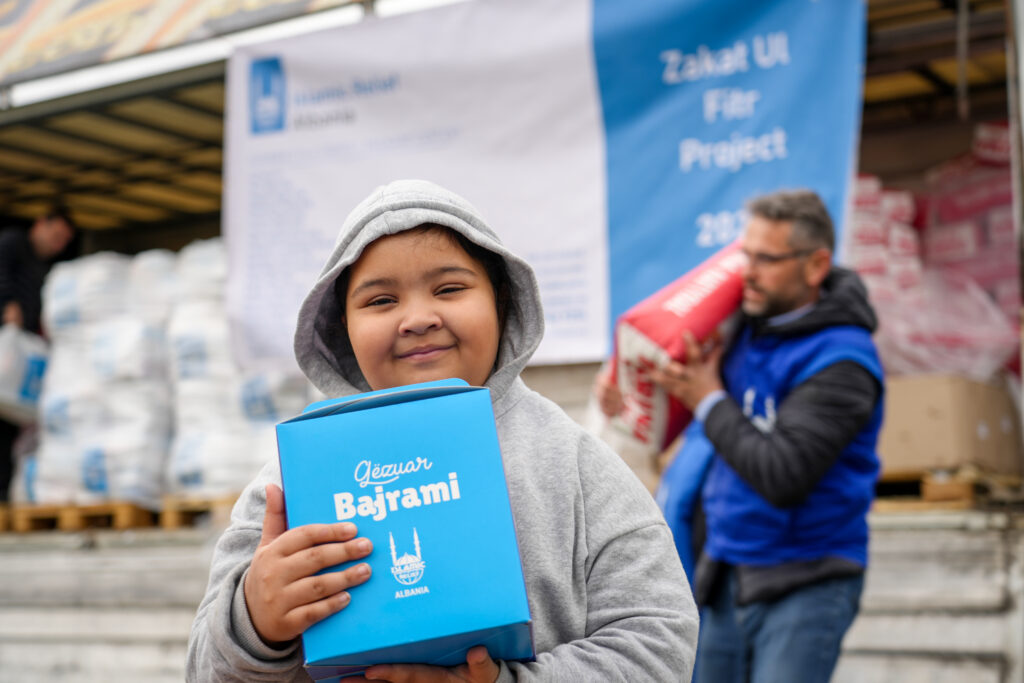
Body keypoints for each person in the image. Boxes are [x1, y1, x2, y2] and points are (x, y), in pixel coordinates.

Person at [187, 179, 699, 682]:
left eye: (449, 289)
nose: (417, 318)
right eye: (381, 301)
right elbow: (203, 672)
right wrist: (253, 622)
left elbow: (660, 640)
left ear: (501, 300)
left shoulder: (576, 461)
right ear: (342, 327)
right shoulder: (291, 483)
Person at [646, 189, 884, 683]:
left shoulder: (843, 361)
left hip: (808, 578)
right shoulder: (746, 324)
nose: (746, 272)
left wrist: (709, 397)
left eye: (766, 259)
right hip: (727, 568)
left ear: (816, 265)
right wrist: (630, 391)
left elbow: (783, 475)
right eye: (743, 255)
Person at [0, 207, 76, 502]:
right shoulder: (12, 242)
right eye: (56, 236)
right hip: (6, 341)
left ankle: (4, 494)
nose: (58, 245)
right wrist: (7, 304)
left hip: (19, 351)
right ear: (40, 224)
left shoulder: (42, 266)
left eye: (64, 242)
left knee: (10, 422)